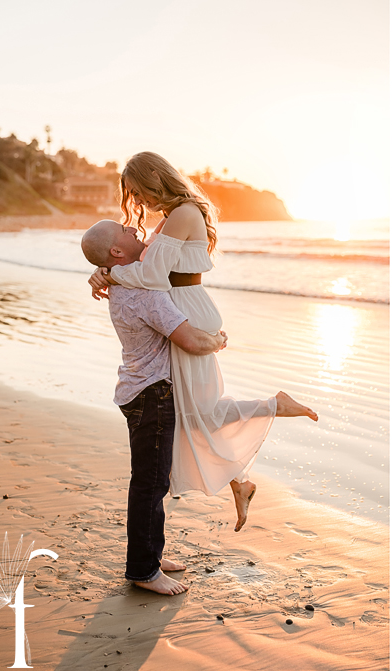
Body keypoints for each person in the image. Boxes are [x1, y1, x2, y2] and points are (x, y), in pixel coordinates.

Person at [87, 154, 317, 532]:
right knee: (191, 414)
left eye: (139, 192)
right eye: (134, 196)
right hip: (180, 310)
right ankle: (239, 481)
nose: (138, 202)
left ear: (155, 177)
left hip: (187, 314)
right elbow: (145, 266)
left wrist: (110, 274)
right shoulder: (171, 216)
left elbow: (153, 273)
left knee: (199, 413)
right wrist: (103, 271)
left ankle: (275, 407)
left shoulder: (183, 213)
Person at [81, 219, 230, 595]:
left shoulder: (125, 279)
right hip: (152, 395)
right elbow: (190, 340)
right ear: (117, 251)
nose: (135, 229)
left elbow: (165, 230)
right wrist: (218, 340)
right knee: (150, 484)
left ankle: (152, 555)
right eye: (125, 230)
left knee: (152, 481)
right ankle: (143, 570)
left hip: (138, 389)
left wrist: (104, 272)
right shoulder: (144, 292)